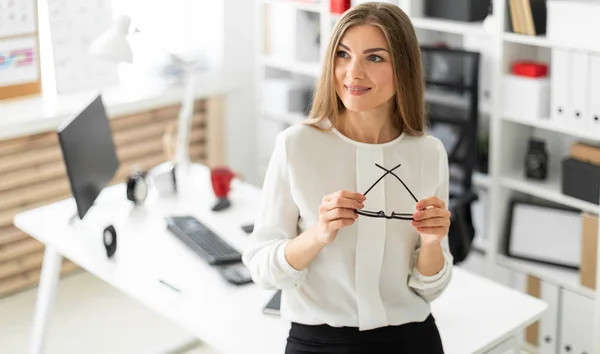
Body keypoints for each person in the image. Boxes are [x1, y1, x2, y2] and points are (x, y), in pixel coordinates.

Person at [242, 2, 452, 353]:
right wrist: (318, 235)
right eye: (343, 54)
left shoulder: (428, 154)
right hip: (319, 342)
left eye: (374, 58)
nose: (353, 73)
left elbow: (431, 288)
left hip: (412, 339)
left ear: (403, 68)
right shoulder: (297, 146)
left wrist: (432, 243)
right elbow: (263, 270)